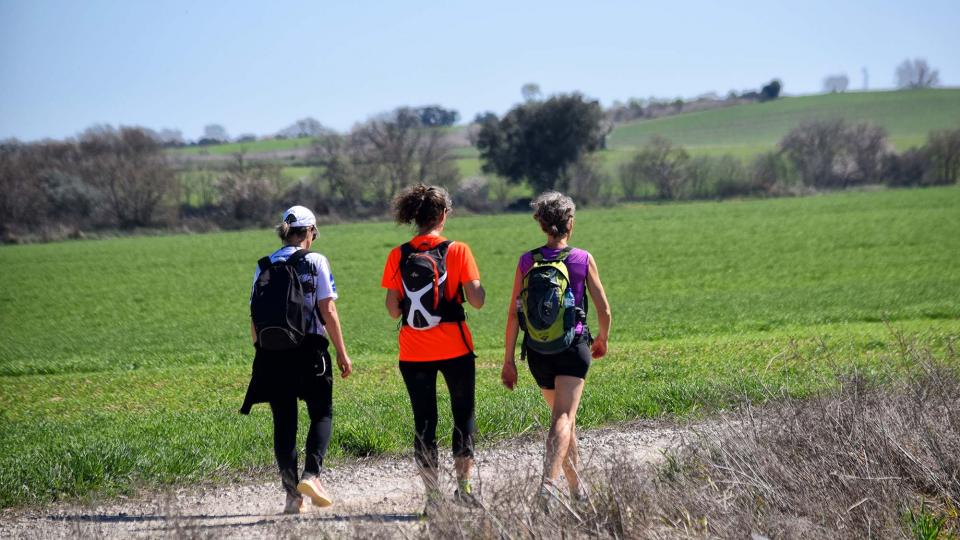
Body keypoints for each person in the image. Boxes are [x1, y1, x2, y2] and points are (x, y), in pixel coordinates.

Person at [500, 191, 611, 508]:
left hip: (537, 352)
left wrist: (508, 361)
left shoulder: (527, 260)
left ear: (542, 225)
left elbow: (513, 313)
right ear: (570, 223)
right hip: (573, 347)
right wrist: (602, 338)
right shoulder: (582, 259)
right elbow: (604, 309)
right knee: (563, 418)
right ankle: (547, 487)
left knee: (565, 420)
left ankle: (578, 492)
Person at [241, 205, 353, 514]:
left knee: (284, 423)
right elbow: (328, 311)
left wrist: (262, 353)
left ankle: (292, 497)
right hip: (310, 352)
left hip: (272, 355)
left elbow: (253, 316)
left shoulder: (263, 265)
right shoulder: (316, 261)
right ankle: (312, 476)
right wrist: (342, 353)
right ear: (310, 232)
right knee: (322, 413)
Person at [381, 184, 486, 515]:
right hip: (455, 347)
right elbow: (477, 301)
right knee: (462, 417)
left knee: (424, 422)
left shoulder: (398, 255)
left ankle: (432, 499)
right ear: (443, 215)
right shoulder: (458, 250)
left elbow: (393, 310)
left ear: (415, 216)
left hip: (413, 352)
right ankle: (465, 491)